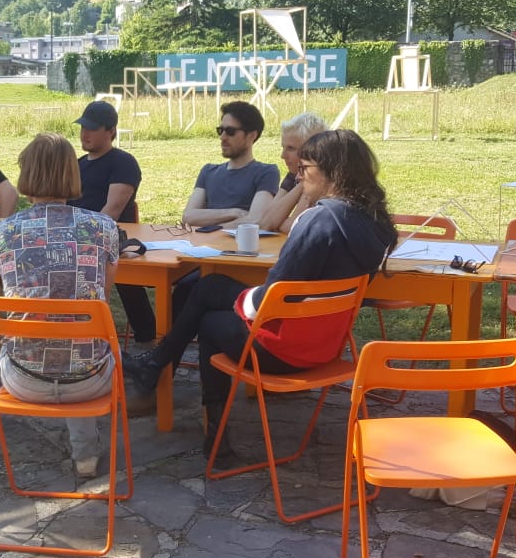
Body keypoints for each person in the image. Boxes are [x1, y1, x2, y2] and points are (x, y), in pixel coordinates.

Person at [123, 129, 398, 456]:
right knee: (210, 286)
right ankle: (156, 365)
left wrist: (243, 301)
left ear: (331, 173)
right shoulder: (375, 223)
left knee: (210, 320)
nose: (299, 177)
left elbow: (268, 303)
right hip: (328, 346)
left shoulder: (318, 222)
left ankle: (215, 435)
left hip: (285, 352)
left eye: (304, 169)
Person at [0, 133, 121, 478]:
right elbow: (101, 300)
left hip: (22, 378)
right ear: (72, 174)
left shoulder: (4, 232)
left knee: (51, 330)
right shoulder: (103, 227)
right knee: (88, 334)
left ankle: (78, 453)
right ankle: (86, 455)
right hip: (91, 380)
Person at [69, 100, 157, 346]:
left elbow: (111, 212)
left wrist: (80, 237)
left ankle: (146, 340)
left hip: (112, 241)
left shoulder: (123, 162)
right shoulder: (77, 165)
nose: (84, 133)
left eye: (92, 128)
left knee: (128, 283)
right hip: (75, 239)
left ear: (111, 131)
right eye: (83, 127)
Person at [181, 101, 280, 229]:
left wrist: (212, 228)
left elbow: (255, 220)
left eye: (230, 131)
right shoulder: (208, 171)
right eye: (220, 130)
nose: (222, 137)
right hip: (204, 246)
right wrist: (234, 212)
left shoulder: (266, 172)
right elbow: (188, 216)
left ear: (252, 135)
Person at [258, 112, 327, 233]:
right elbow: (265, 222)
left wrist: (280, 220)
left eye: (291, 148)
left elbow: (293, 226)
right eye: (283, 147)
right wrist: (301, 184)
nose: (283, 156)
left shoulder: (322, 179)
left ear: (313, 150)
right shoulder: (294, 174)